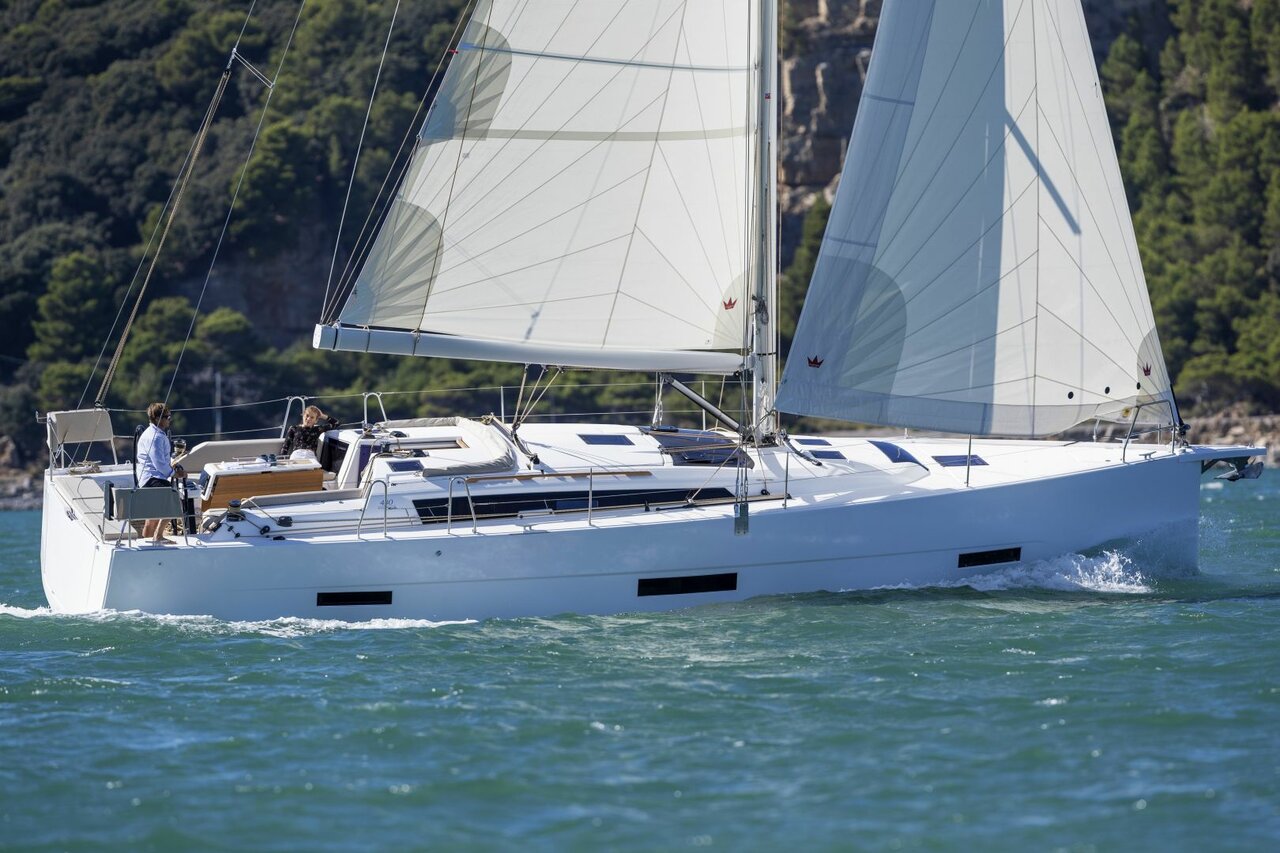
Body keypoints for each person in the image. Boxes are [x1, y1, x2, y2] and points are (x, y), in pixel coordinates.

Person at [137, 402, 185, 544]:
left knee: (152, 518)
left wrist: (173, 462)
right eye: (167, 417)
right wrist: (174, 473)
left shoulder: (153, 434)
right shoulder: (156, 437)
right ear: (158, 418)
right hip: (153, 479)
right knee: (174, 503)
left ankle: (146, 542)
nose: (170, 419)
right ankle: (158, 537)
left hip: (148, 478)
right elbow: (159, 463)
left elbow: (161, 459)